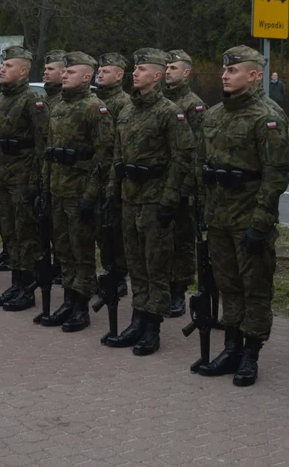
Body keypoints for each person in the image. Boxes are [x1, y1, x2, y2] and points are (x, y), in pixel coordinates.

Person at [192, 45, 289, 383]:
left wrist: (261, 223)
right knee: (228, 286)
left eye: (233, 71)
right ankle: (231, 347)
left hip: (249, 219)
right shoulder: (214, 114)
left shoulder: (268, 115)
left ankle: (250, 352)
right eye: (224, 70)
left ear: (254, 75)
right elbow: (202, 167)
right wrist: (202, 210)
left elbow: (275, 175)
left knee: (255, 288)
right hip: (218, 218)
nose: (224, 75)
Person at [102, 48, 194, 355]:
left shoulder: (170, 112)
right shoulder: (127, 111)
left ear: (157, 76)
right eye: (135, 68)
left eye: (141, 69)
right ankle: (137, 320)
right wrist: (113, 193)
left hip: (155, 200)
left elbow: (182, 158)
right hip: (130, 198)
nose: (135, 73)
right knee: (135, 264)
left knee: (156, 266)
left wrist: (169, 200)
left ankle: (152, 327)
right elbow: (118, 155)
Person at [39, 51, 113, 332]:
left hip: (80, 193)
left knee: (81, 252)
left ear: (86, 77)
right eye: (64, 71)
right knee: (64, 250)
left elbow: (104, 156)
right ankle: (68, 300)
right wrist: (46, 189)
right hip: (58, 190)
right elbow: (49, 152)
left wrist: (91, 195)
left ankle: (81, 306)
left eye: (70, 72)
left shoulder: (94, 108)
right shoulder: (57, 106)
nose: (64, 75)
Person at [0, 45, 49, 311]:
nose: (2, 69)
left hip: (23, 177)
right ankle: (16, 280)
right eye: (2, 65)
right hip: (2, 176)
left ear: (24, 71)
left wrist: (38, 182)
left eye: (8, 65)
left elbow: (42, 144)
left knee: (26, 233)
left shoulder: (33, 101)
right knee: (8, 230)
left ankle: (28, 285)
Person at [162, 49, 206, 318]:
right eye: (166, 67)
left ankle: (179, 290)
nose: (168, 71)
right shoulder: (160, 101)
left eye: (174, 68)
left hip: (182, 184)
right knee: (163, 239)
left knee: (182, 241)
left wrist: (188, 187)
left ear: (186, 72)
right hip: (160, 181)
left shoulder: (193, 104)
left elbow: (197, 150)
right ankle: (164, 285)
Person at [96, 52, 132, 297]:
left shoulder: (123, 103)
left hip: (113, 174)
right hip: (96, 174)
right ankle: (109, 270)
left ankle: (118, 274)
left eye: (106, 71)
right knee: (101, 229)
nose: (100, 73)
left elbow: (120, 146)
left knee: (114, 230)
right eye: (99, 70)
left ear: (119, 75)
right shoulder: (95, 100)